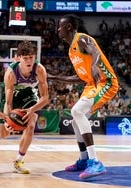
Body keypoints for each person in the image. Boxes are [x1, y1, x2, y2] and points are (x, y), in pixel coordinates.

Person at [48, 14, 119, 179]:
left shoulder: (81, 38)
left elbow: (95, 52)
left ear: (69, 27)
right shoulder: (71, 51)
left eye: (60, 26)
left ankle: (95, 162)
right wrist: (53, 77)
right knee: (75, 120)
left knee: (77, 111)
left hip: (106, 81)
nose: (58, 29)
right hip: (91, 85)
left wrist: (94, 66)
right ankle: (84, 159)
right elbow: (81, 77)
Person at [0, 40, 49, 174]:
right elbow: (8, 103)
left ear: (35, 57)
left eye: (31, 57)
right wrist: (7, 119)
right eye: (25, 58)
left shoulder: (39, 70)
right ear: (19, 58)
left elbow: (45, 98)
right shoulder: (11, 73)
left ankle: (19, 160)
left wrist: (32, 110)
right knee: (4, 134)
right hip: (12, 96)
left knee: (31, 125)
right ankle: (5, 124)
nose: (28, 61)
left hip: (29, 95)